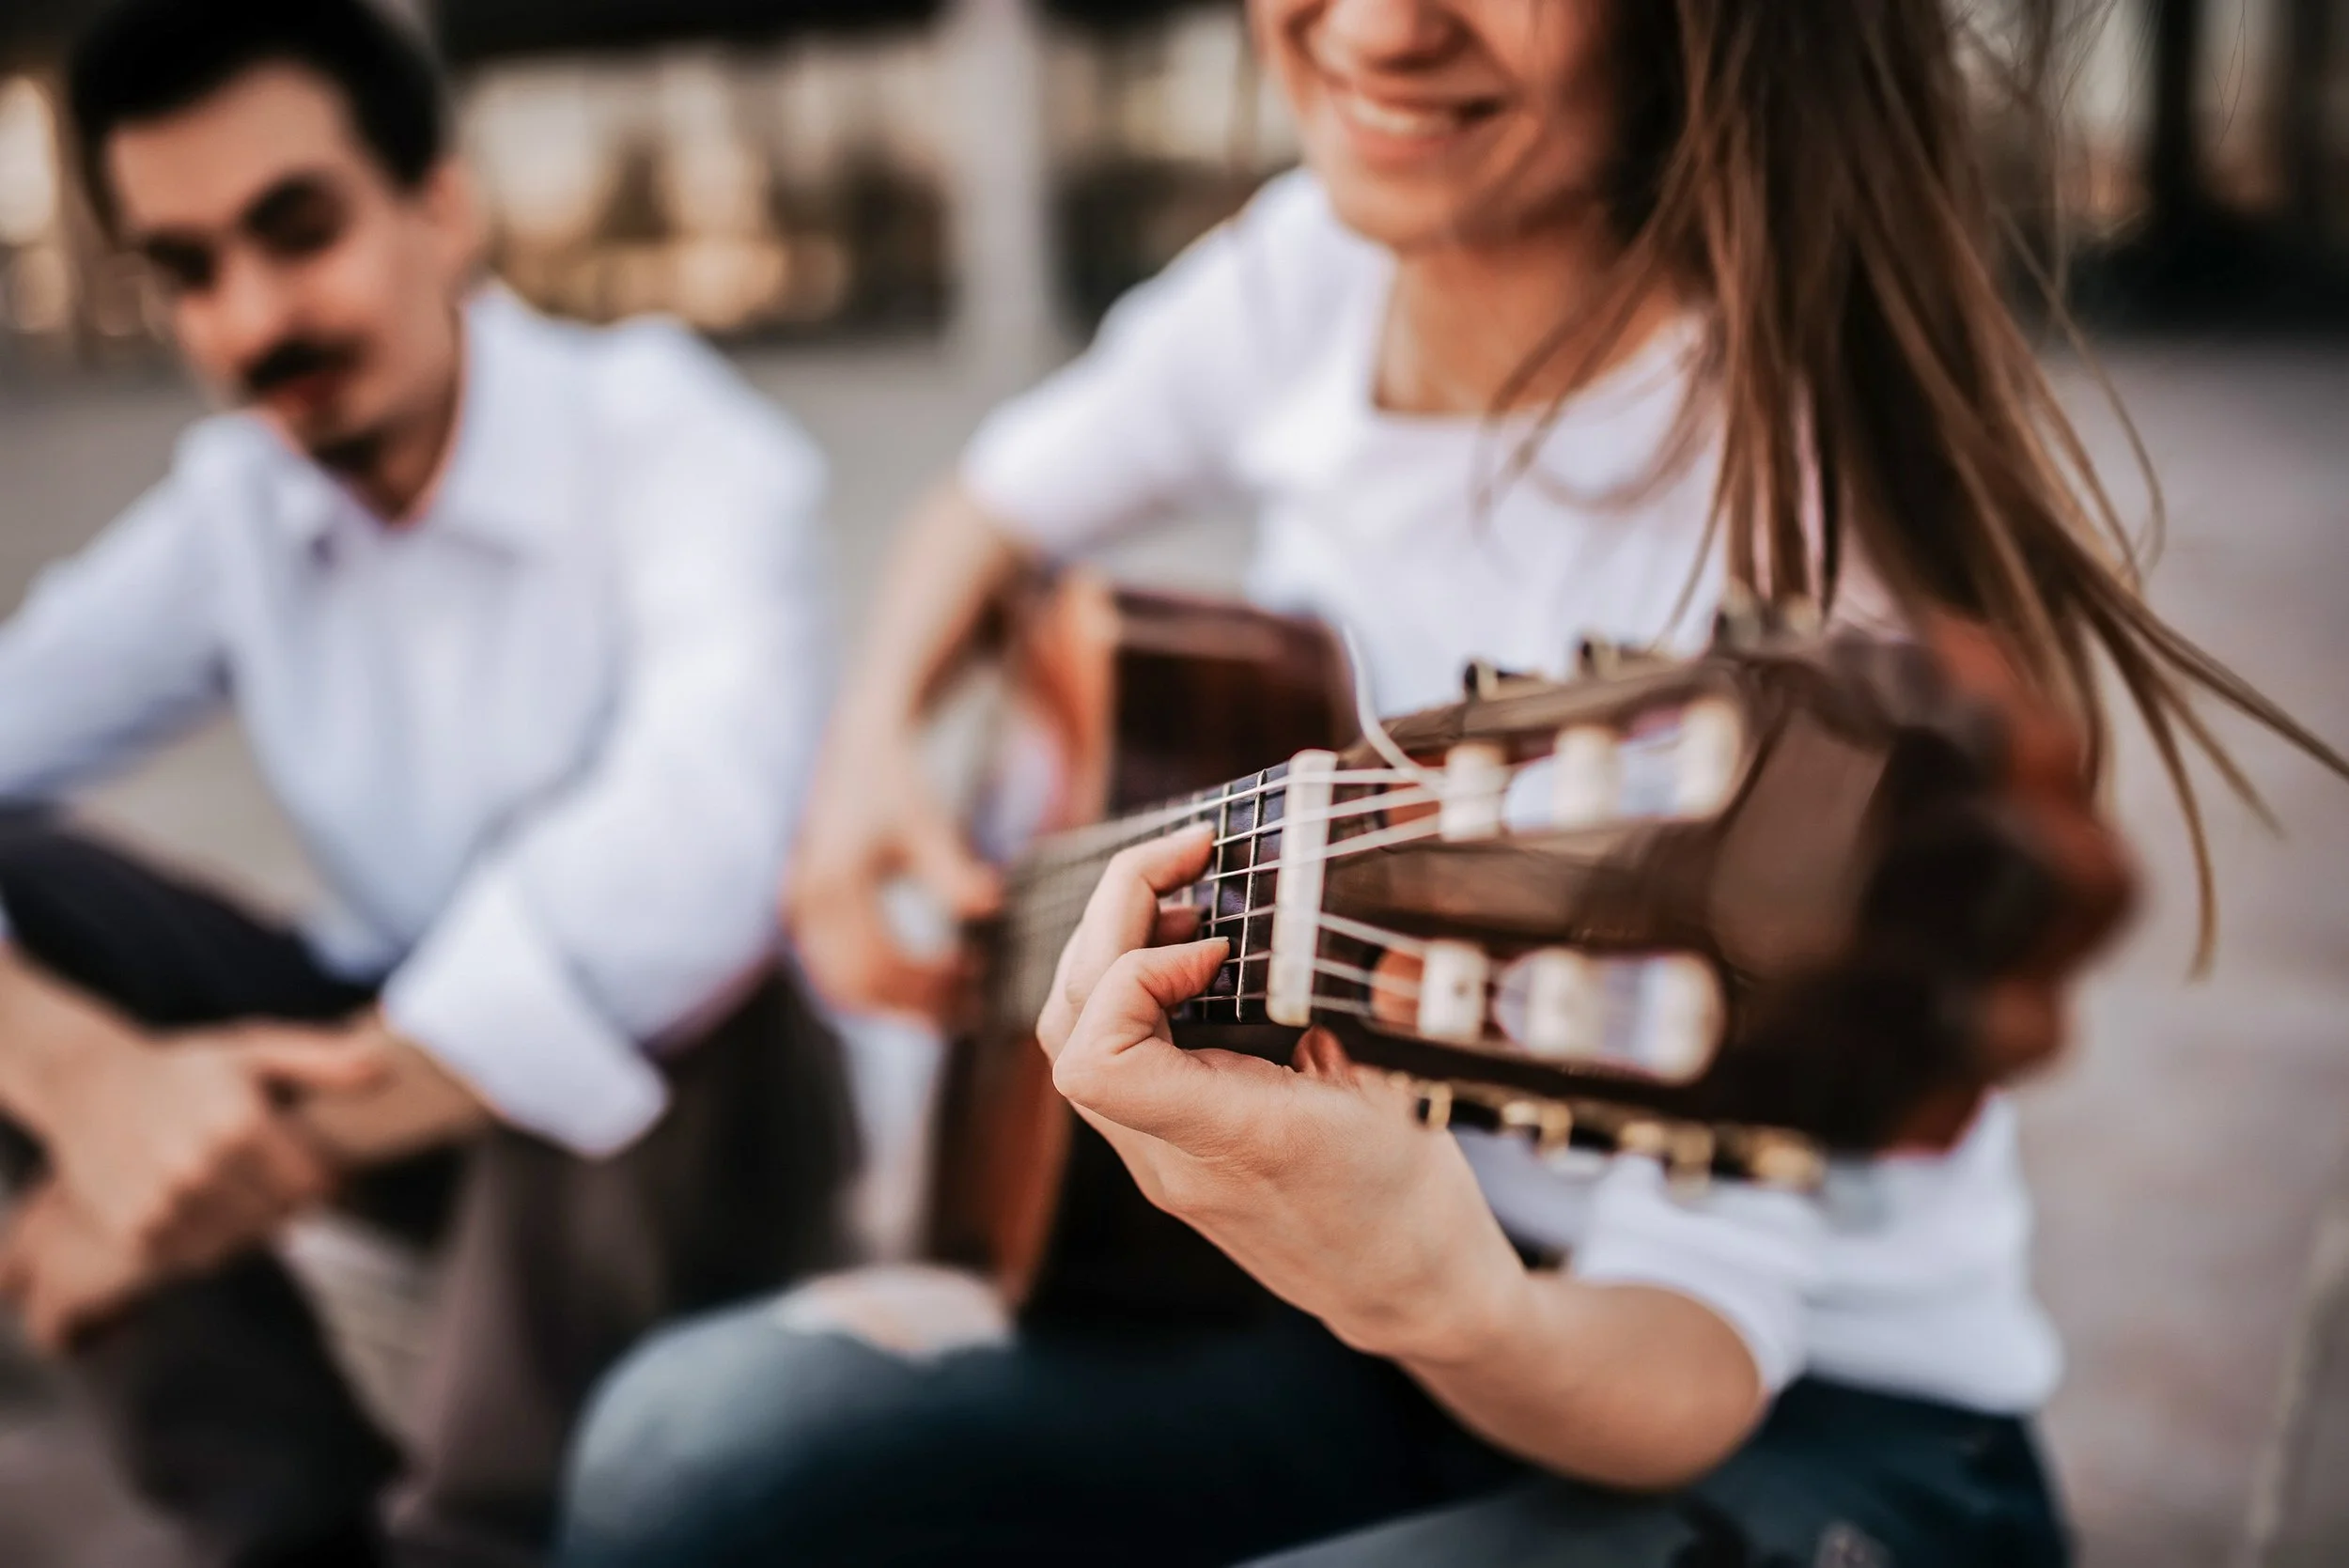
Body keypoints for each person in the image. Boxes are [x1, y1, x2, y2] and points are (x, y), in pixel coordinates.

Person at [559, 1, 2337, 1565]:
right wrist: (867, 763)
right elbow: (993, 505)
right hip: (1362, 1327)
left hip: (1811, 1428)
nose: (1381, 28)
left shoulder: (1803, 569)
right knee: (677, 1460)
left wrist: (1431, 1288)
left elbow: (1694, 1358)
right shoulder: (1310, 273)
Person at [0, 1, 854, 1563]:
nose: (252, 319)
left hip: (709, 1148)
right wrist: (89, 1091)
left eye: (297, 230)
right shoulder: (236, 508)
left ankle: (486, 1530)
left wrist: (238, 1166)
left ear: (442, 205)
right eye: (187, 270)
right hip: (400, 1085)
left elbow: (694, 858)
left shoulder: (673, 439)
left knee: (672, 955)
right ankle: (285, 1526)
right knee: (34, 904)